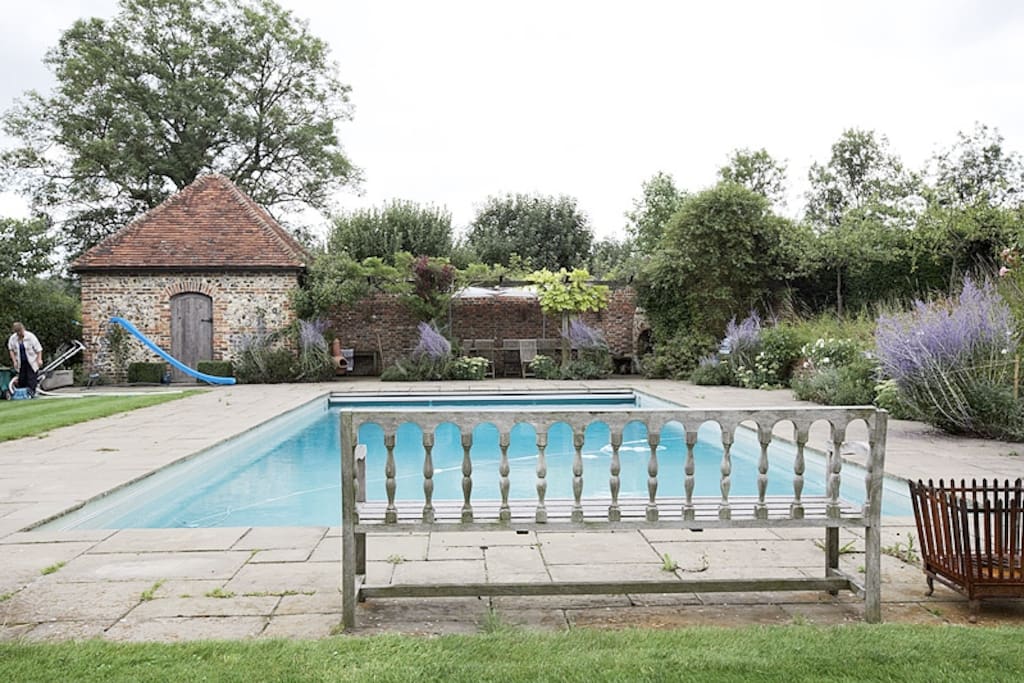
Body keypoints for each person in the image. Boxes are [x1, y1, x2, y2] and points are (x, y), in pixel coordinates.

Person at [8, 322, 43, 396]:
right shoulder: (13, 338)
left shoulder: (30, 337)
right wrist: (14, 361)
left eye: (20, 331)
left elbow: (38, 349)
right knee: (22, 379)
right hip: (20, 361)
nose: (19, 333)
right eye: (17, 332)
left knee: (31, 378)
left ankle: (31, 393)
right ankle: (23, 394)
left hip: (31, 361)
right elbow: (11, 350)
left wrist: (39, 359)